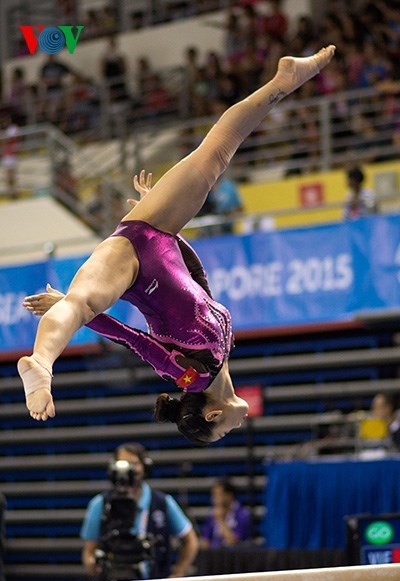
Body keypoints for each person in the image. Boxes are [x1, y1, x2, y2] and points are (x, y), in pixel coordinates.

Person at [18, 45, 336, 445]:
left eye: (223, 431)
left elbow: (134, 339)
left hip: (134, 265)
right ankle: (283, 81)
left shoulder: (191, 376)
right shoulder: (222, 347)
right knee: (217, 152)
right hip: (160, 235)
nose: (234, 427)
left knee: (80, 305)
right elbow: (197, 281)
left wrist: (78, 309)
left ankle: (42, 364)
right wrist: (168, 220)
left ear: (213, 413)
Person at [81, 442, 198, 580]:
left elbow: (191, 541)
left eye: (134, 463)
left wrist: (177, 575)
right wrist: (94, 566)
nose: (129, 470)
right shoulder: (100, 504)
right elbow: (89, 551)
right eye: (123, 463)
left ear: (145, 466)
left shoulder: (162, 503)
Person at [200, 478, 252, 549]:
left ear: (229, 495)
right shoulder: (211, 514)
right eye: (213, 495)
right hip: (214, 556)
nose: (214, 498)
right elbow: (205, 541)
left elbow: (234, 541)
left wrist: (220, 520)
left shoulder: (242, 514)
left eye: (218, 494)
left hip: (236, 556)